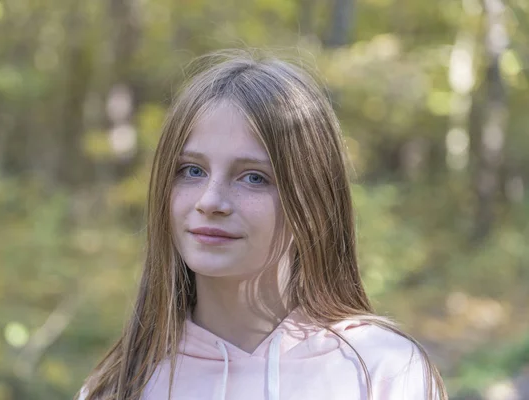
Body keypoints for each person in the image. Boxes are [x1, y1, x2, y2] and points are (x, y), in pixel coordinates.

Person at [76, 50, 448, 400]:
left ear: (313, 200)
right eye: (192, 171)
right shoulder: (121, 386)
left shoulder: (382, 370)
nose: (210, 201)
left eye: (253, 177)